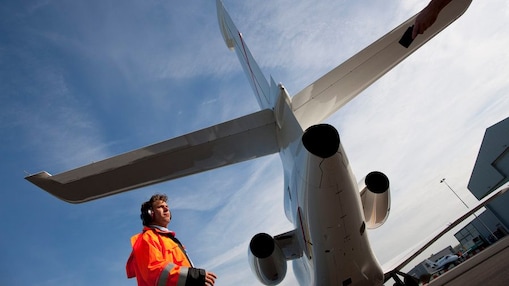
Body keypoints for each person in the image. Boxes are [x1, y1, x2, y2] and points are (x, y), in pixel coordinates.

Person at [126, 194, 217, 286]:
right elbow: (154, 272)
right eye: (160, 207)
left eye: (167, 207)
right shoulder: (146, 238)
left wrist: (196, 282)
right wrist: (194, 276)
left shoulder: (171, 241)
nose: (166, 209)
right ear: (150, 213)